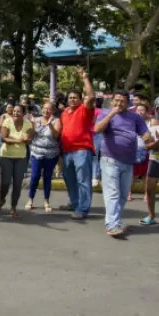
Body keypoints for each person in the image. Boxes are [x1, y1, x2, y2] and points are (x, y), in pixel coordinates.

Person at [94, 91, 155, 236]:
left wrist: (152, 140)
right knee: (113, 194)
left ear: (128, 103)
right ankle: (112, 225)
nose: (119, 103)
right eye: (116, 100)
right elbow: (97, 129)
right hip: (110, 159)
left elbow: (145, 135)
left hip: (128, 161)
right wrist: (111, 115)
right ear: (112, 102)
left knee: (122, 195)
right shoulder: (105, 113)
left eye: (122, 101)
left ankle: (116, 221)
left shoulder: (135, 117)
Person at [58, 68, 97, 220]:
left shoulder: (84, 110)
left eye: (75, 97)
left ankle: (83, 208)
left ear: (81, 100)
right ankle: (75, 202)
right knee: (70, 179)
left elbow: (91, 96)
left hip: (82, 150)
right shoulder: (64, 113)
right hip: (67, 151)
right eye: (70, 97)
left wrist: (85, 78)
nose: (72, 99)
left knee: (83, 180)